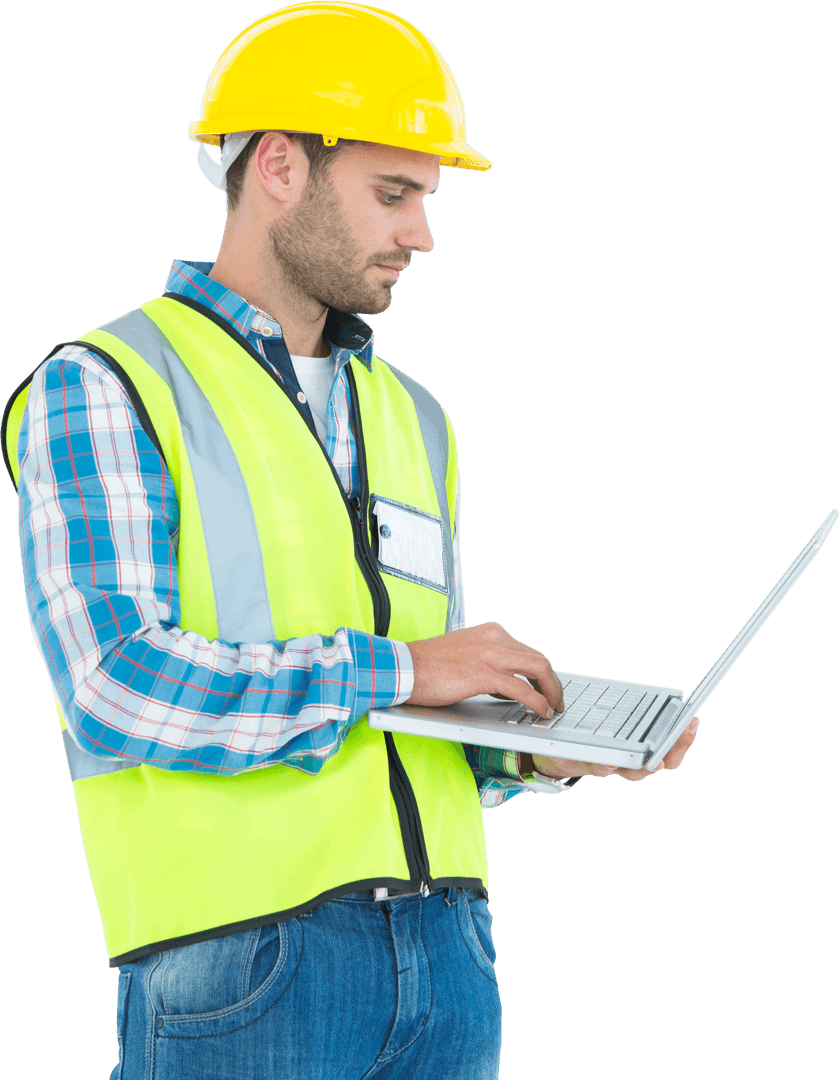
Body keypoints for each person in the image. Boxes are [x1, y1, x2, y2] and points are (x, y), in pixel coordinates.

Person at [2, 4, 698, 1078]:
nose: (421, 233)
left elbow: (400, 718)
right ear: (278, 163)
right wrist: (408, 667)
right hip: (240, 966)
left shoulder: (416, 417)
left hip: (451, 957)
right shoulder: (108, 385)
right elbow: (115, 685)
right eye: (394, 194)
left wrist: (526, 750)